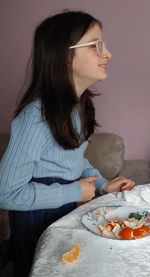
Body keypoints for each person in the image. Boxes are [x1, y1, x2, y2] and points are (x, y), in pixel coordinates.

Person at [0, 10, 135, 277]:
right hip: (34, 216)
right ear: (65, 56)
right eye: (97, 45)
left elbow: (74, 160)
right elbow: (7, 193)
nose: (107, 54)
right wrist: (73, 192)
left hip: (62, 208)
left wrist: (101, 183)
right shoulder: (35, 118)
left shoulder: (78, 108)